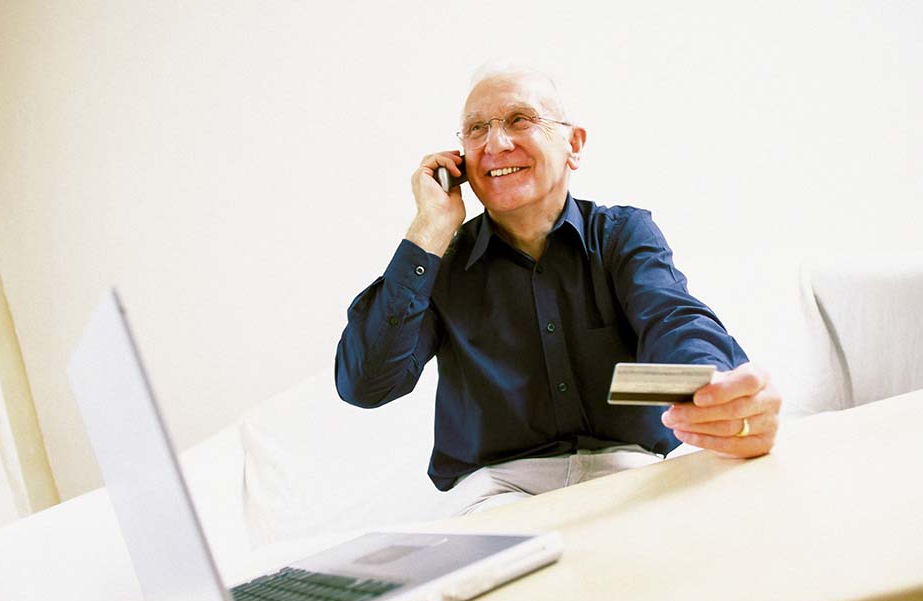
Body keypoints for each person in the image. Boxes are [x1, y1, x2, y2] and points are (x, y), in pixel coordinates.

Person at [335, 63, 781, 514]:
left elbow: (673, 317)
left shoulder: (623, 234)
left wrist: (716, 386)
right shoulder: (440, 262)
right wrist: (428, 228)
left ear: (574, 144)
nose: (496, 143)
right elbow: (366, 385)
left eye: (519, 120)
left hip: (628, 469)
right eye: (476, 129)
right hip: (498, 489)